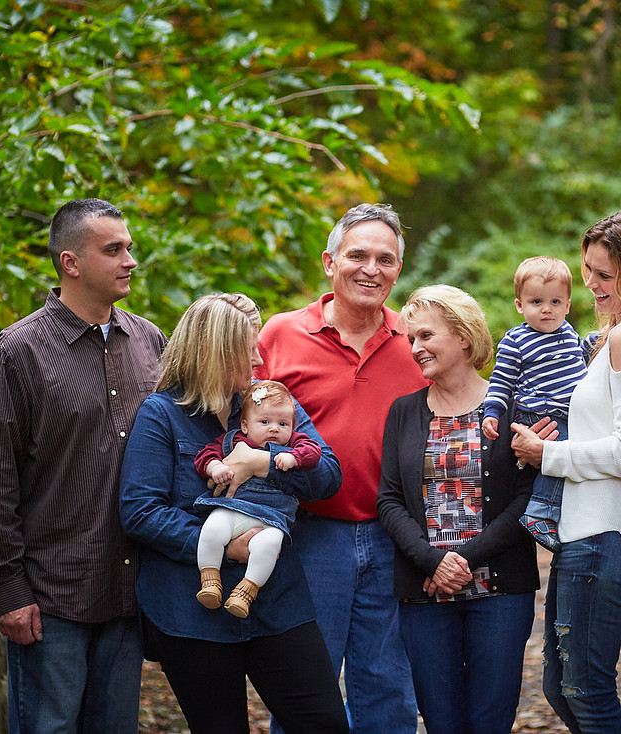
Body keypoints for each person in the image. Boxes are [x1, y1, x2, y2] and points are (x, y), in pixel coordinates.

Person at [0, 198, 166, 733]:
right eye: (114, 250)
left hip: (127, 593)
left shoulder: (150, 341)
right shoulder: (18, 352)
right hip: (50, 598)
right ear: (70, 262)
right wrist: (9, 591)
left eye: (129, 247)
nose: (130, 260)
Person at [119, 293, 348, 734]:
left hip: (277, 603)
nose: (259, 359)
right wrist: (226, 546)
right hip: (192, 611)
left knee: (325, 725)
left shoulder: (271, 404)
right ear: (215, 354)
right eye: (248, 350)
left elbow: (328, 477)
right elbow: (141, 511)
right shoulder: (162, 415)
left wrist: (264, 462)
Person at [255, 203, 428, 733]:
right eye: (357, 255)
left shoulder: (416, 341)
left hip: (395, 536)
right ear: (330, 262)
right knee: (306, 694)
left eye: (385, 259)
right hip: (309, 534)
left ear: (399, 270)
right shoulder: (280, 335)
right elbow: (242, 424)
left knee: (389, 693)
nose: (371, 269)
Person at [511, 211, 621, 732]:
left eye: (604, 274)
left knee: (586, 692)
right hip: (585, 533)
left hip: (604, 536)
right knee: (562, 688)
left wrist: (548, 456)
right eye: (588, 270)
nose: (590, 283)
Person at [377, 285, 544, 734]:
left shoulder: (513, 408)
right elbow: (389, 500)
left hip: (500, 592)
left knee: (491, 720)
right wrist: (432, 561)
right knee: (441, 722)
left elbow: (526, 498)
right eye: (411, 338)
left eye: (426, 336)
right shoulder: (403, 412)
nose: (416, 348)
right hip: (425, 590)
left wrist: (461, 560)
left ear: (464, 337)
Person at [481, 256, 587, 551]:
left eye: (555, 302)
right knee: (560, 453)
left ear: (567, 305)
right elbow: (501, 382)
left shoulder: (569, 333)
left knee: (574, 456)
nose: (546, 309)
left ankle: (554, 511)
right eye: (537, 301)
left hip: (569, 413)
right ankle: (540, 512)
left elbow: (578, 363)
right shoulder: (516, 340)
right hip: (539, 413)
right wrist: (492, 413)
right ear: (519, 305)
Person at [193, 380, 321, 617]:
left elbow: (314, 451)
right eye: (265, 422)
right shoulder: (233, 441)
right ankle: (210, 579)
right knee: (212, 528)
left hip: (271, 519)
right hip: (234, 509)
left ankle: (246, 592)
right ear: (245, 425)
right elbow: (204, 456)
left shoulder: (293, 445)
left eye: (283, 424)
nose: (274, 429)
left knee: (269, 545)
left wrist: (293, 457)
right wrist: (214, 467)